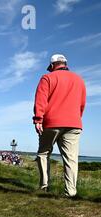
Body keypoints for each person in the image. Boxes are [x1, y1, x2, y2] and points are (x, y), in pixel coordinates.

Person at [33, 54, 86, 197]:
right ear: (65, 64)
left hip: (51, 122)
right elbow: (82, 104)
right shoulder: (79, 80)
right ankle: (71, 192)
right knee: (71, 159)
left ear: (52, 65)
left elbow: (41, 100)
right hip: (74, 123)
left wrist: (38, 119)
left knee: (44, 153)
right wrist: (75, 118)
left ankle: (44, 186)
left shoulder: (47, 78)